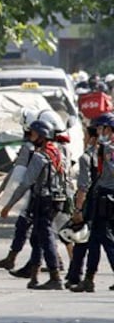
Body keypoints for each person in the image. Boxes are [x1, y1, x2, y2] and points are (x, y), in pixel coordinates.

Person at [1, 119, 65, 290]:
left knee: (45, 237)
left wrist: (9, 205)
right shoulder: (57, 153)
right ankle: (34, 277)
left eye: (34, 134)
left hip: (43, 201)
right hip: (55, 200)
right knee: (37, 238)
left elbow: (25, 183)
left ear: (42, 136)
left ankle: (55, 277)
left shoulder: (39, 156)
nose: (31, 136)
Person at [0, 108, 39, 272]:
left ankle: (54, 265)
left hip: (33, 194)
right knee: (31, 229)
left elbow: (18, 172)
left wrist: (7, 198)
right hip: (36, 194)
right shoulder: (41, 148)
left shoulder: (29, 148)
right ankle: (12, 258)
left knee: (32, 230)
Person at [72, 113, 114, 292]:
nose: (98, 132)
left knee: (105, 239)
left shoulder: (108, 150)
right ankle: (88, 279)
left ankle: (88, 278)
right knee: (95, 240)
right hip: (102, 198)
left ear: (108, 129)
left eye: (100, 128)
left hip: (106, 198)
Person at [65, 122, 99, 289]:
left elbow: (83, 186)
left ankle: (77, 277)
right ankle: (76, 276)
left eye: (85, 136)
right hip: (103, 203)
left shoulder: (86, 158)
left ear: (92, 138)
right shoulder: (107, 156)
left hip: (91, 205)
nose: (84, 139)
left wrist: (77, 209)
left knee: (84, 239)